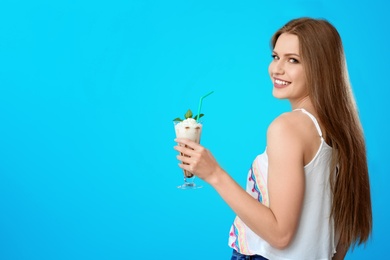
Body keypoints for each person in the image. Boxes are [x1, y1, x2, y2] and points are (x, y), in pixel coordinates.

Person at [174, 17, 372, 260]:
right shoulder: (342, 131)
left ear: (322, 67)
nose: (277, 69)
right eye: (276, 57)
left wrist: (214, 173)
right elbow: (341, 240)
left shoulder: (286, 128)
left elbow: (280, 235)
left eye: (293, 60)